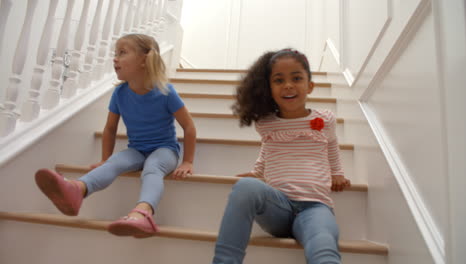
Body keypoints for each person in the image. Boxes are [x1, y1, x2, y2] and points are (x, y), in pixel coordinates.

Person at [35, 33, 196, 238]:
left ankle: (143, 213)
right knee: (113, 163)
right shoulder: (120, 93)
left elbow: (189, 126)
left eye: (122, 53)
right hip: (136, 149)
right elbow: (110, 128)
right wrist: (104, 158)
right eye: (115, 53)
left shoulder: (165, 91)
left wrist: (188, 161)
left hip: (165, 149)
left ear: (144, 60)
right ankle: (77, 190)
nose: (115, 58)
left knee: (153, 168)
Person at [212, 49, 351, 263]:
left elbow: (331, 146)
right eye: (279, 80)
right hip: (278, 208)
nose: (288, 85)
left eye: (296, 78)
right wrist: (257, 172)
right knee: (245, 186)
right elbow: (269, 148)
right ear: (269, 88)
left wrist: (337, 173)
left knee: (323, 244)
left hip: (315, 207)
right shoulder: (266, 122)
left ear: (310, 86)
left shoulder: (326, 119)